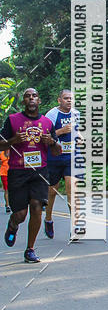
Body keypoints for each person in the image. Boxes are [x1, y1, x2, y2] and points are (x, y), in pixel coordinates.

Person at [0, 88, 61, 262]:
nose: (31, 98)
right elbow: (1, 144)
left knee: (36, 206)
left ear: (39, 100)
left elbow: (57, 151)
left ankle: (30, 249)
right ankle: (12, 225)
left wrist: (52, 142)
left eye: (34, 95)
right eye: (28, 96)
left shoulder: (47, 123)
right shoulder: (12, 120)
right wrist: (13, 141)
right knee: (20, 214)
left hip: (39, 172)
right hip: (18, 172)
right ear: (24, 102)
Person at [44, 89, 79, 240]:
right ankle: (48, 219)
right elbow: (44, 136)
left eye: (71, 98)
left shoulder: (76, 114)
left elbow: (77, 131)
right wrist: (60, 131)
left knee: (72, 189)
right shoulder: (51, 115)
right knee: (52, 192)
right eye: (66, 98)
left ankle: (75, 226)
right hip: (54, 157)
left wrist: (80, 138)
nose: (69, 101)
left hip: (71, 157)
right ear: (59, 100)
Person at [0, 145, 10, 212]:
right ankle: (7, 205)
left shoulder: (13, 152)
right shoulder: (1, 154)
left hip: (12, 173)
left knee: (12, 190)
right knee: (6, 190)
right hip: (4, 173)